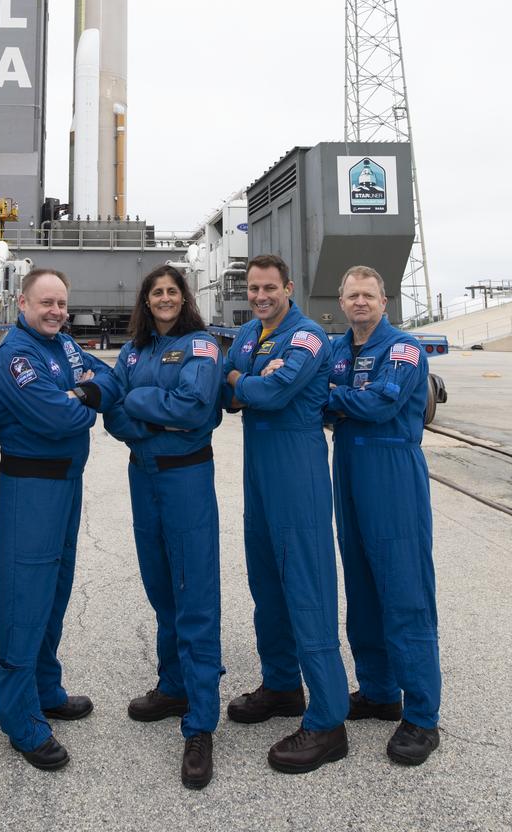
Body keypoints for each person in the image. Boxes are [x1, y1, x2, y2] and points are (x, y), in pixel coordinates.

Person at [0, 268, 118, 771]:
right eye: (46, 303)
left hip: (65, 483)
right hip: (31, 487)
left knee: (56, 589)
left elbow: (108, 378)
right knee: (26, 596)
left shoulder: (62, 347)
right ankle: (17, 713)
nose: (56, 311)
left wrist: (80, 394)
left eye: (62, 303)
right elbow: (57, 418)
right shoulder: (16, 356)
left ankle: (44, 688)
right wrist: (82, 404)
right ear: (23, 303)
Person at [223, 254, 349, 774]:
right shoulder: (249, 335)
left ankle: (328, 720)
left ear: (288, 288)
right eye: (253, 288)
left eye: (269, 288)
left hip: (297, 471)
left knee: (306, 587)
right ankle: (281, 686)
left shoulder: (306, 337)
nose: (260, 296)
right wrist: (240, 377)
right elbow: (229, 398)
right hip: (260, 471)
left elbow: (271, 393)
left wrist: (242, 379)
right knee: (268, 585)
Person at [103, 265, 224, 790]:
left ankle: (200, 723)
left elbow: (195, 408)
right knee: (160, 588)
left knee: (194, 593)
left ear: (184, 298)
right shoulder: (133, 353)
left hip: (185, 479)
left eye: (173, 291)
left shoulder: (202, 347)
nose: (166, 298)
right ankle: (173, 684)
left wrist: (136, 404)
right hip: (143, 478)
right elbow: (113, 417)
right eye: (157, 292)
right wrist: (151, 414)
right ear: (146, 301)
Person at [329, 266, 441, 766]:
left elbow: (379, 403)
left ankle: (421, 714)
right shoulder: (338, 349)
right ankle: (378, 691)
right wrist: (338, 403)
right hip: (349, 466)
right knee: (363, 584)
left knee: (404, 589)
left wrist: (333, 400)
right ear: (341, 301)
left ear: (385, 300)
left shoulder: (403, 350)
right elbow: (332, 408)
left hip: (392, 468)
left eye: (368, 295)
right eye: (352, 295)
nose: (360, 302)